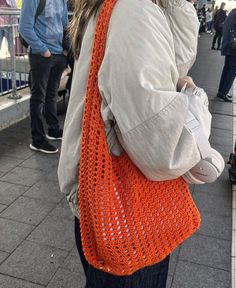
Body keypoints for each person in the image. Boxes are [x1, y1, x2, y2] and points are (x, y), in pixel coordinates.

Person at [58, 0, 224, 287]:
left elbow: (166, 65)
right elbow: (166, 147)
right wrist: (195, 98)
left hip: (108, 204)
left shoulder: (124, 8)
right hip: (126, 217)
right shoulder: (134, 10)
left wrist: (174, 6)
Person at [19, 0, 69, 154]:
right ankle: (38, 140)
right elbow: (24, 27)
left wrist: (65, 51)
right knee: (38, 97)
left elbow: (65, 24)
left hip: (59, 54)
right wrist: (43, 50)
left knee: (51, 95)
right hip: (41, 55)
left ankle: (53, 130)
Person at [217, 8, 236, 102]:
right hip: (234, 48)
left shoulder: (232, 13)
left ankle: (221, 91)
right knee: (232, 71)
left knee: (227, 69)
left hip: (229, 46)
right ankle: (223, 93)